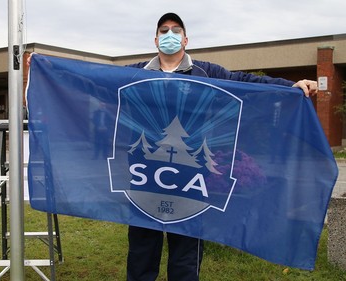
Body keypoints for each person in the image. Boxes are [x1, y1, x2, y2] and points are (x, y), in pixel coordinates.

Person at [126, 12, 318, 281]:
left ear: (186, 39)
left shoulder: (208, 72)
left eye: (176, 30)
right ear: (156, 39)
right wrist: (49, 71)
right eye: (164, 30)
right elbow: (88, 80)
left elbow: (246, 81)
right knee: (142, 250)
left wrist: (290, 85)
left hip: (190, 174)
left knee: (186, 252)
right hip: (145, 173)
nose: (170, 35)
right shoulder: (134, 73)